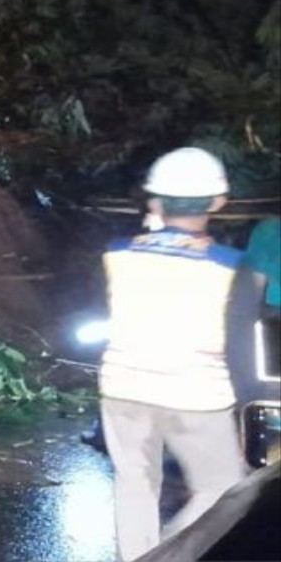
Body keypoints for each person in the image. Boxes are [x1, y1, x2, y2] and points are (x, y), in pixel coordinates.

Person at [99, 147, 251, 561]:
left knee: (135, 486)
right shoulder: (230, 265)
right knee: (223, 489)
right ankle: (170, 553)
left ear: (154, 201)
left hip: (123, 387)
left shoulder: (116, 252)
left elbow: (154, 254)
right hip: (197, 393)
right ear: (218, 202)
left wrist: (155, 228)